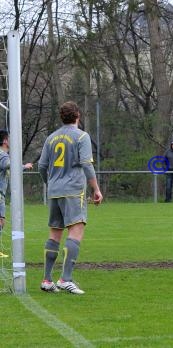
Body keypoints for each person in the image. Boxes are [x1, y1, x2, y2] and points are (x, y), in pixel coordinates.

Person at [38, 101, 103, 294]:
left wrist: (50, 184)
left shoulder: (51, 137)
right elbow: (86, 164)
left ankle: (47, 280)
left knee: (54, 234)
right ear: (78, 116)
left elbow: (42, 166)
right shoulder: (82, 136)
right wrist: (96, 189)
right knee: (75, 231)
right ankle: (65, 278)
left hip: (55, 191)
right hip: (74, 190)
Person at [0, 130, 33, 257]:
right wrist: (24, 166)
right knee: (1, 221)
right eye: (9, 137)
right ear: (5, 141)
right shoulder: (3, 156)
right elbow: (10, 165)